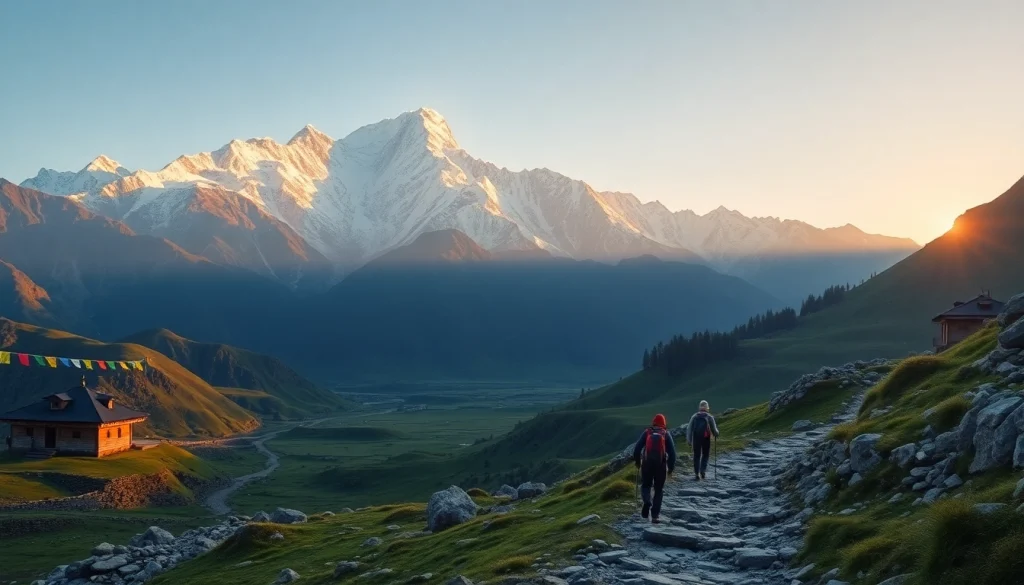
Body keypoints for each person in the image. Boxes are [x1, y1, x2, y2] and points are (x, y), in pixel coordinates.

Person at [632, 413, 676, 523]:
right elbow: (672, 453)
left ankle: (647, 501)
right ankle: (655, 516)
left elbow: (637, 449)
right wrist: (670, 468)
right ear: (664, 423)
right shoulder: (665, 434)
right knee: (659, 489)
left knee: (646, 485)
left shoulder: (647, 432)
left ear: (654, 422)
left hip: (646, 464)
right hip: (661, 465)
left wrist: (638, 462)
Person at [687, 400, 720, 481]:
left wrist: (689, 440)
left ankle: (696, 473)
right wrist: (716, 434)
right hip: (706, 438)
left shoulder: (694, 416)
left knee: (696, 455)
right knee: (705, 454)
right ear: (707, 408)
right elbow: (714, 430)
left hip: (696, 438)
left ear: (699, 407)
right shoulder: (709, 417)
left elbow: (689, 429)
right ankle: (703, 471)